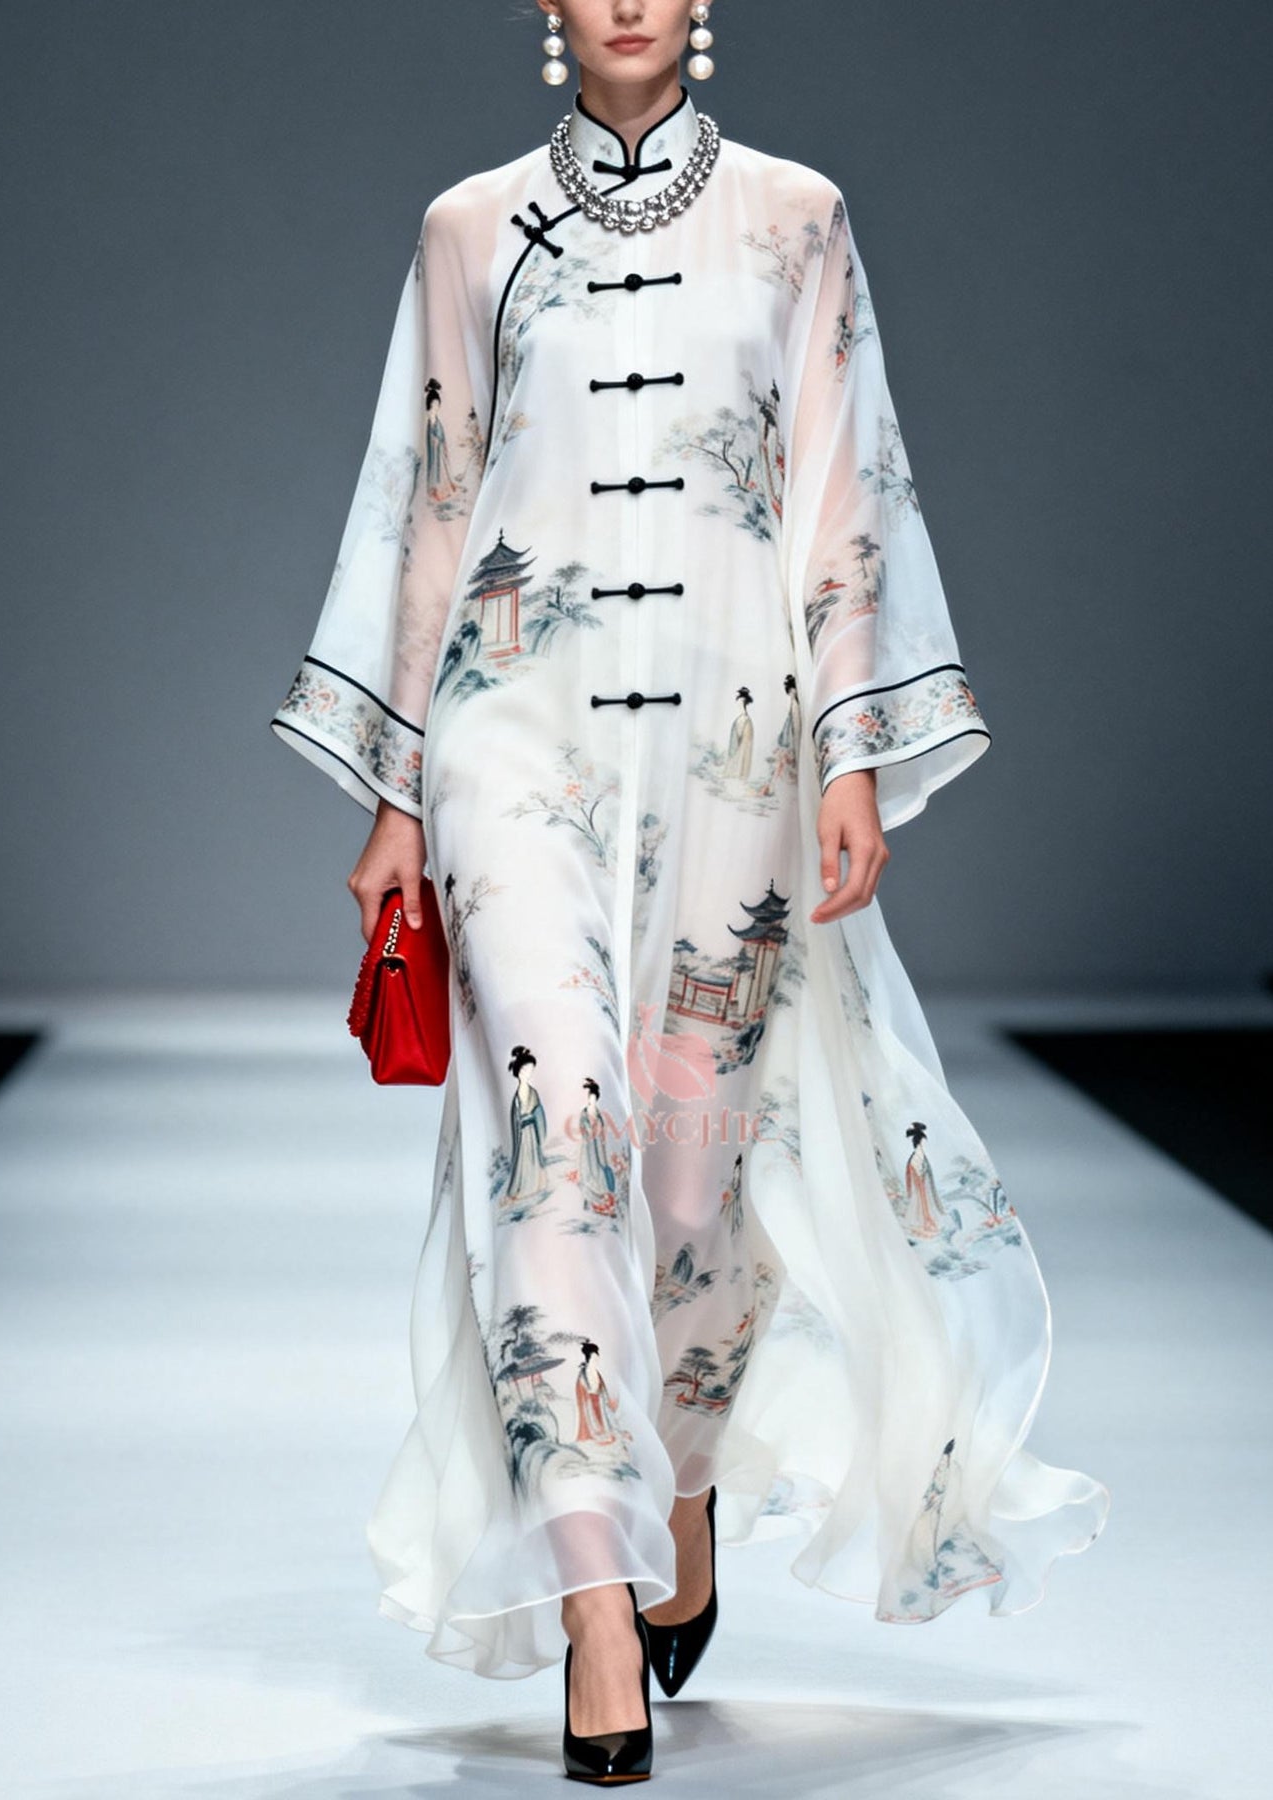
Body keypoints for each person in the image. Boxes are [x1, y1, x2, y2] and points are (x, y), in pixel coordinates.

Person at [270, 0, 1111, 1782]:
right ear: (549, 6)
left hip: (739, 740)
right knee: (553, 1133)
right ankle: (595, 1600)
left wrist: (854, 752)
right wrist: (401, 788)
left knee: (687, 1170)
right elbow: (431, 499)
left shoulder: (797, 218)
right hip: (516, 735)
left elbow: (839, 489)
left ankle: (689, 1476)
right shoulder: (469, 228)